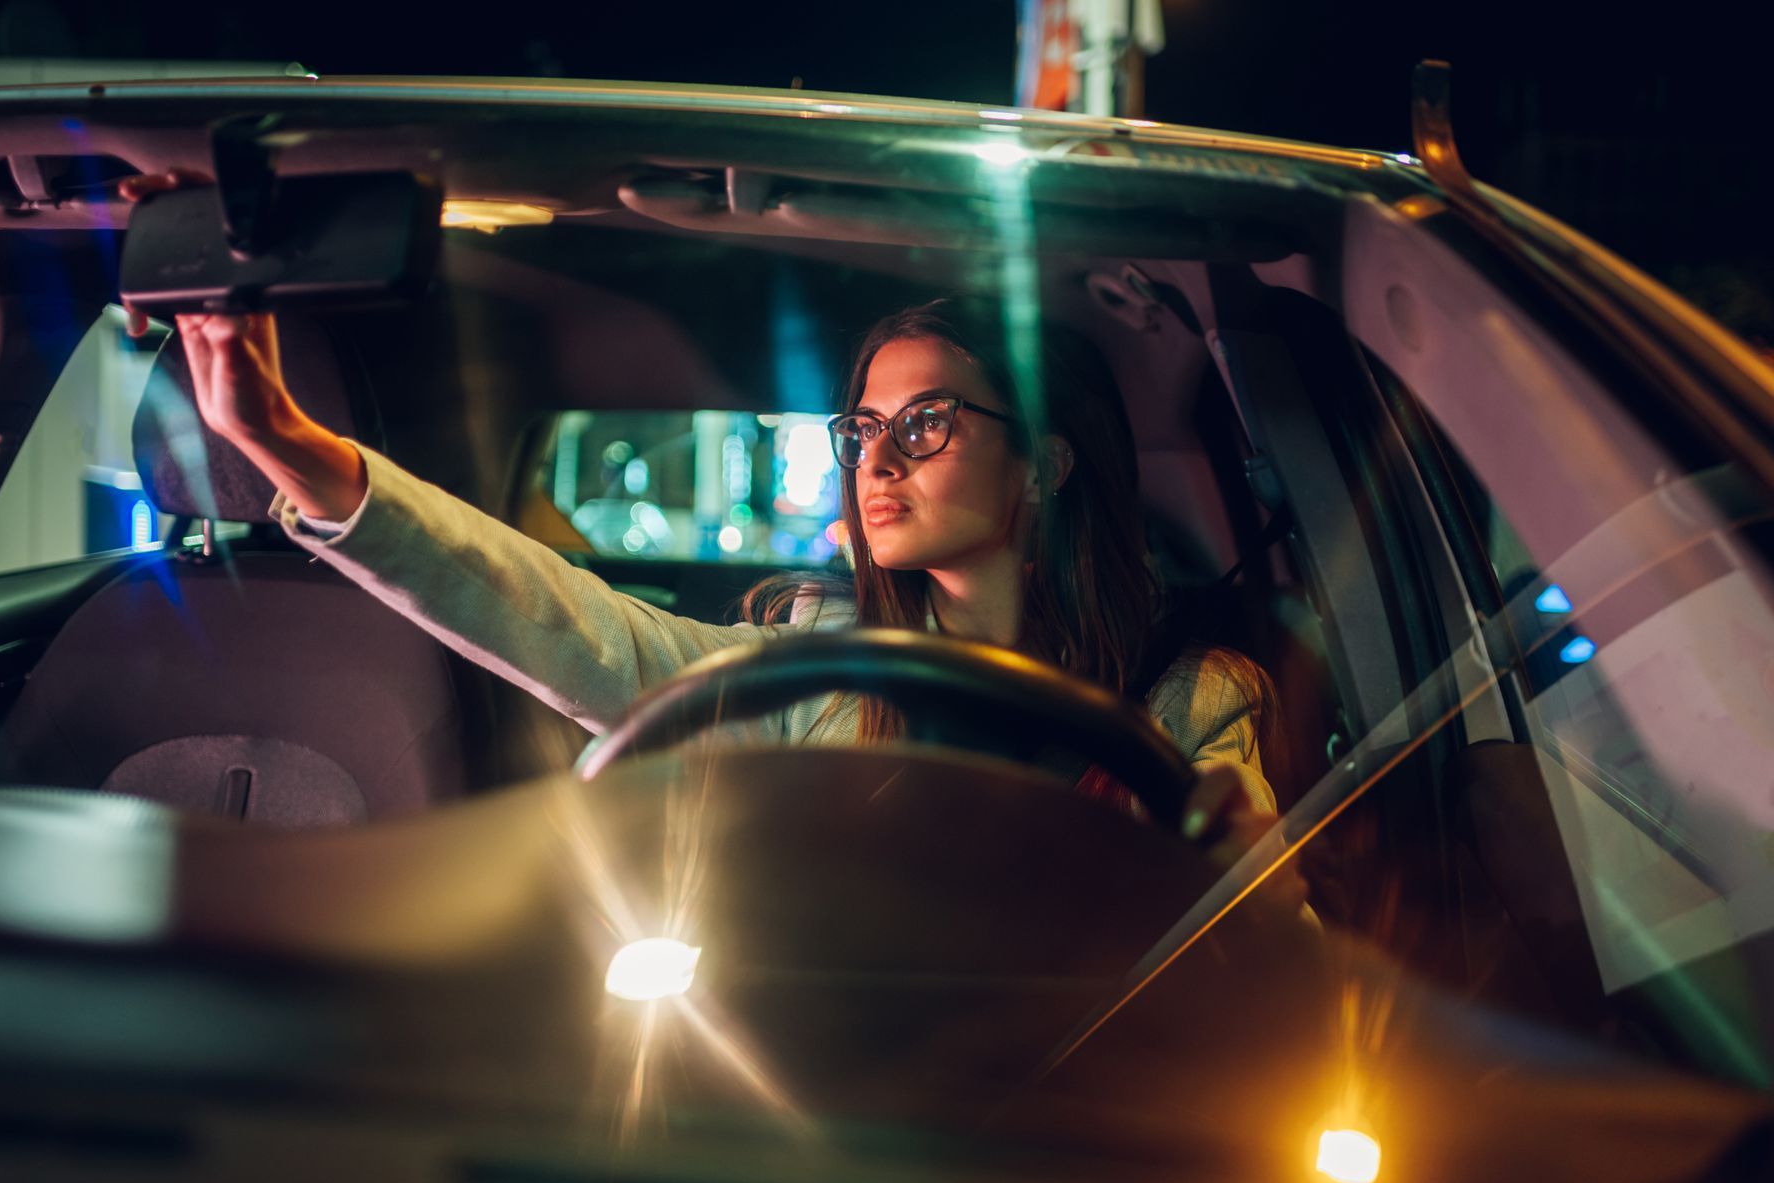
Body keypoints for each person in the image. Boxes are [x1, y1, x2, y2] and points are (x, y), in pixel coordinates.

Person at [122, 177, 1289, 895]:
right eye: (863, 426)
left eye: (926, 424)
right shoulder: (810, 671)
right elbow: (553, 613)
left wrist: (1250, 872)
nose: (875, 460)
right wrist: (283, 441)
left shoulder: (1189, 701)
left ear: (1044, 461)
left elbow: (1260, 939)